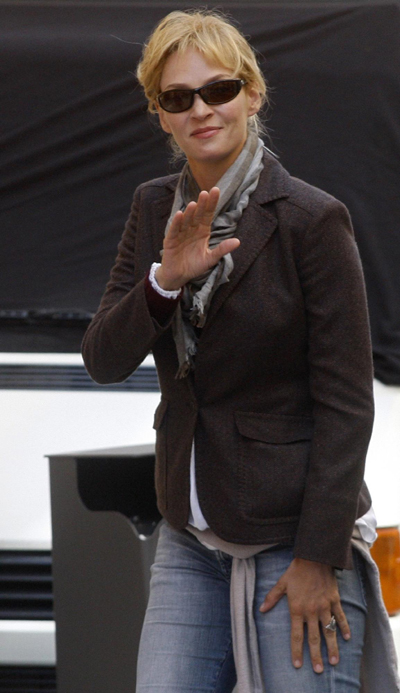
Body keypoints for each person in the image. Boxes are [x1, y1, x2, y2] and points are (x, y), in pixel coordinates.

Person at [81, 9, 397, 693]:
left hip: (294, 537)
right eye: (177, 97)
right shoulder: (152, 209)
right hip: (190, 534)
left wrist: (317, 557)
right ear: (160, 116)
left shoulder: (312, 219)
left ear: (252, 95)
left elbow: (347, 405)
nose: (200, 109)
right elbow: (103, 359)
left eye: (218, 89)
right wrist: (164, 282)